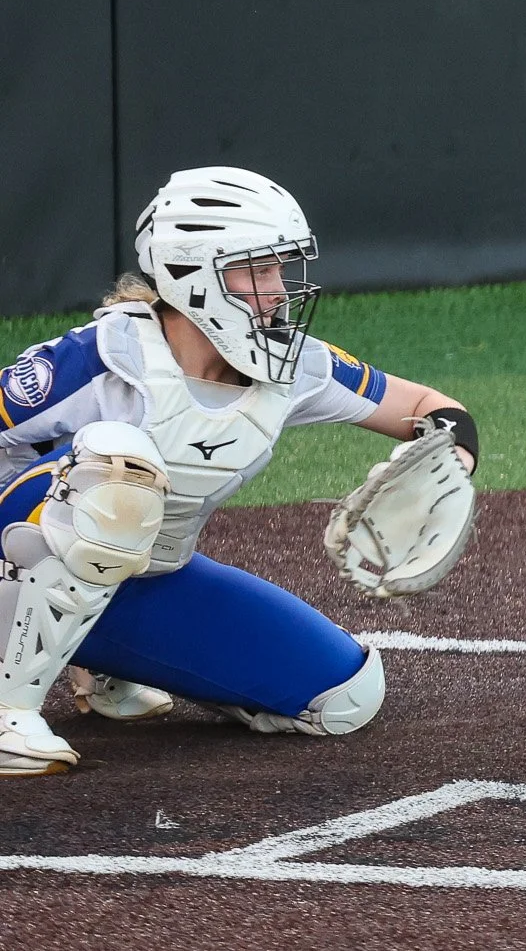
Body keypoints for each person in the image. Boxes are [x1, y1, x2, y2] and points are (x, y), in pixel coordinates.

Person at [0, 167, 481, 776]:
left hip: (147, 577)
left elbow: (429, 408)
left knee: (343, 696)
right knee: (118, 461)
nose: (278, 290)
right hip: (15, 559)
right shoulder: (101, 357)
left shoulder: (294, 366)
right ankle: (9, 710)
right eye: (256, 269)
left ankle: (100, 659)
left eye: (280, 268)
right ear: (190, 274)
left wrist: (454, 461)